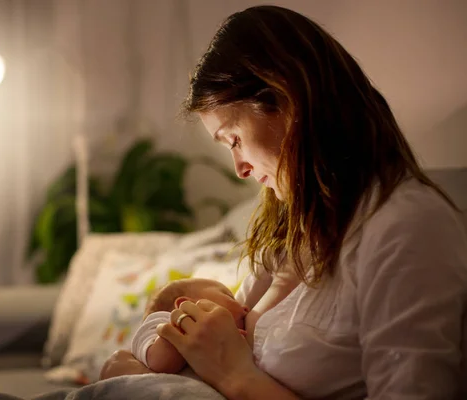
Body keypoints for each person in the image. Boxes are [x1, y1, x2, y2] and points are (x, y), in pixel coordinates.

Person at [100, 5, 467, 399]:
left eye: (234, 139)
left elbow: (226, 363)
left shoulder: (407, 227)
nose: (239, 168)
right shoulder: (290, 227)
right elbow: (211, 347)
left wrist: (236, 377)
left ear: (287, 99)